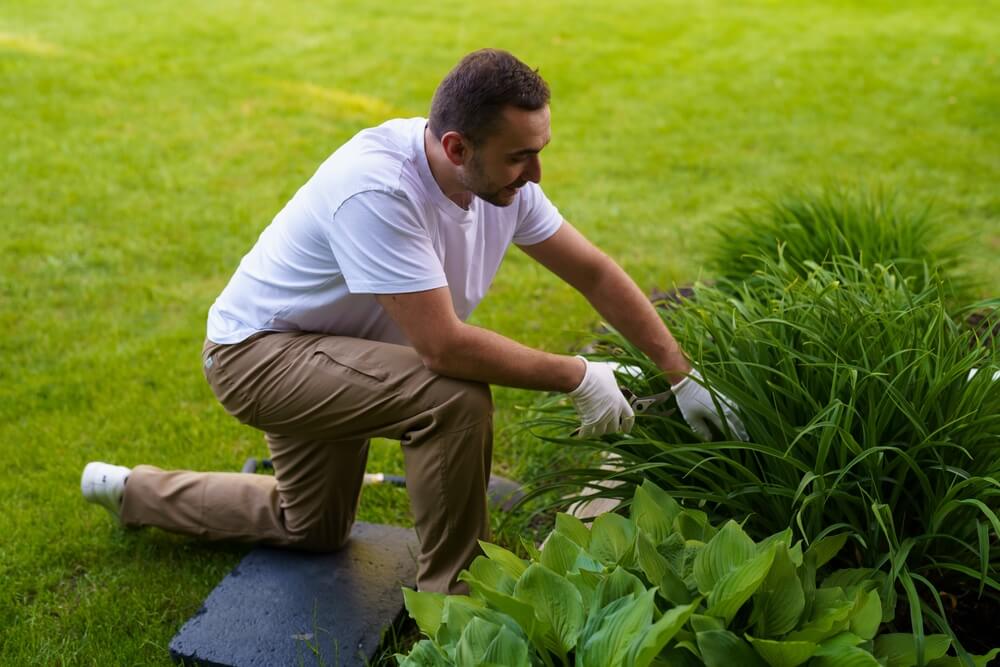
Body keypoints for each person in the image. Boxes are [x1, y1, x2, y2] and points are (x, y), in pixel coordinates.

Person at [80, 49, 747, 594]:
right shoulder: (378, 187)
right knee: (452, 397)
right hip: (259, 354)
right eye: (522, 156)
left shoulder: (502, 185)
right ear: (458, 146)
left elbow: (594, 272)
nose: (537, 172)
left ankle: (133, 491)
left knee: (311, 524)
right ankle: (457, 601)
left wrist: (681, 375)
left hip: (342, 350)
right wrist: (579, 376)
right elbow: (442, 345)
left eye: (539, 150)